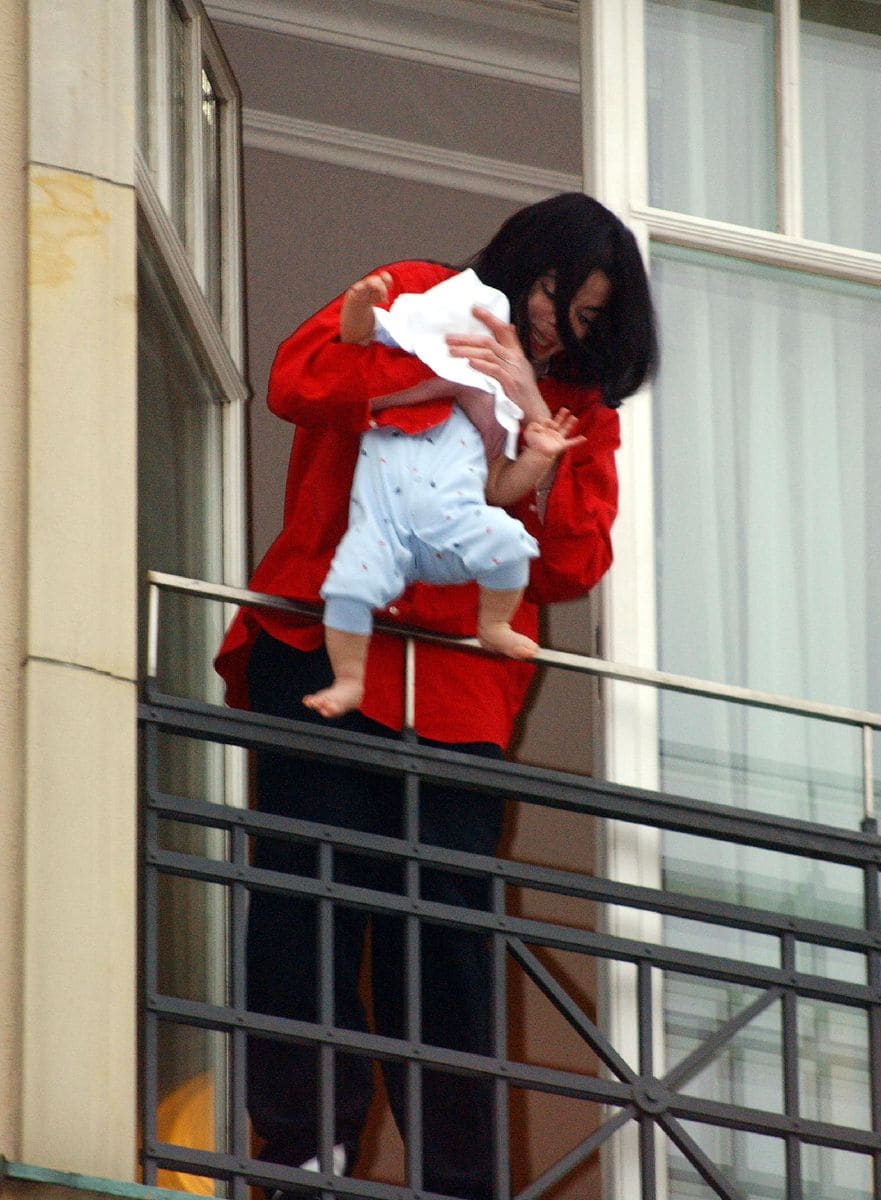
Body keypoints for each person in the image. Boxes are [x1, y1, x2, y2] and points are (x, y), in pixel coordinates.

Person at [214, 192, 658, 1200]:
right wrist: (452, 368)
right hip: (329, 642)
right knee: (308, 895)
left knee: (449, 945)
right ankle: (296, 1151)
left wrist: (536, 417)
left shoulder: (579, 406)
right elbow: (296, 380)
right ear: (523, 261)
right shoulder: (418, 293)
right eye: (555, 294)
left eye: (586, 319)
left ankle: (460, 1180)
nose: (557, 324)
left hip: (459, 692)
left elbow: (573, 562)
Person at [304, 266, 588, 719]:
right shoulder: (396, 387)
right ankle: (350, 679)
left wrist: (538, 457)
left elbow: (499, 487)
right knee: (348, 590)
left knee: (509, 541)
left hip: (451, 533)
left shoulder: (489, 415)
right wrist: (360, 304)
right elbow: (358, 338)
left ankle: (493, 623)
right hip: (381, 532)